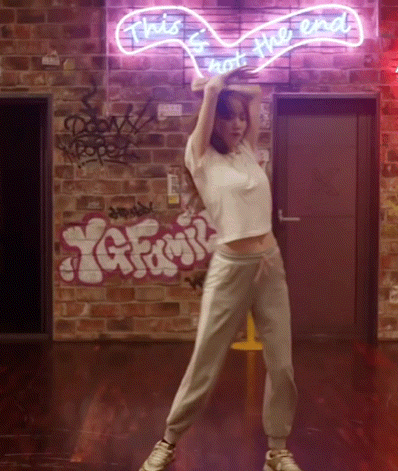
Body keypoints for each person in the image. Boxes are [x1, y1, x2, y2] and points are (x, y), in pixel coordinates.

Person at [138, 67, 304, 471]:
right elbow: (212, 99)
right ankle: (168, 441)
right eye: (228, 118)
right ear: (212, 121)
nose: (237, 124)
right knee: (205, 364)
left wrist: (227, 86)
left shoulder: (247, 150)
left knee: (282, 364)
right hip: (231, 268)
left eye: (240, 118)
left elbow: (256, 94)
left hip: (270, 264)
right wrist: (210, 90)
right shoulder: (200, 158)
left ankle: (277, 451)